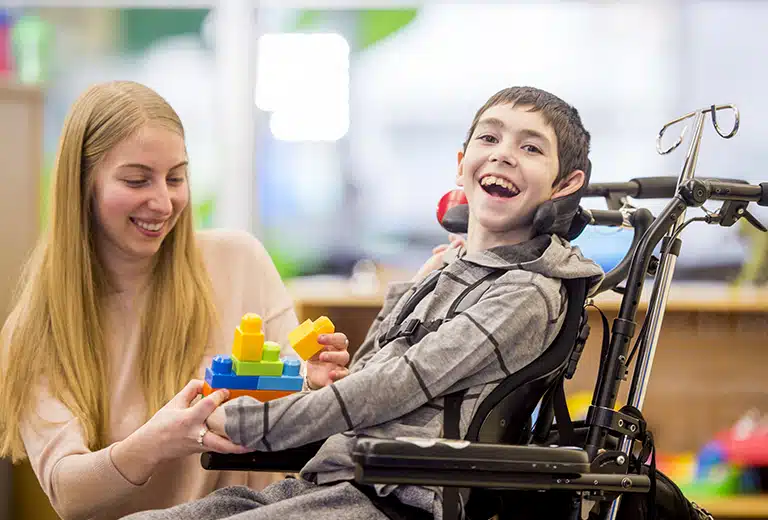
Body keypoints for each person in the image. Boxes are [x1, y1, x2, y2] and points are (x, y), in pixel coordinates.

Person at [122, 85, 606, 520]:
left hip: (397, 500)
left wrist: (251, 423)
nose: (503, 155)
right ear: (461, 163)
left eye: (530, 147)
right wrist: (415, 287)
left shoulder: (525, 292)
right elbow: (368, 371)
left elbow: (392, 387)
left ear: (565, 184)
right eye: (489, 138)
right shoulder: (450, 271)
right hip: (335, 483)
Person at [0, 80, 350, 520]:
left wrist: (314, 388)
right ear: (83, 185)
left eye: (176, 178)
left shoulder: (239, 260)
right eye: (136, 179)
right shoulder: (36, 329)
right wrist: (155, 442)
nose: (163, 202)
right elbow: (68, 494)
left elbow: (296, 417)